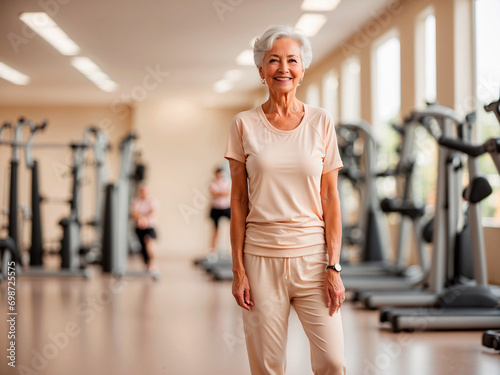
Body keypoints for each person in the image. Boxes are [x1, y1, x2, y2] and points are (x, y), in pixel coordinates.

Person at [224, 26, 346, 375]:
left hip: (313, 259)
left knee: (333, 362)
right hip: (260, 260)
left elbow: (330, 196)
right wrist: (238, 269)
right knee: (267, 367)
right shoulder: (243, 124)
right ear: (261, 70)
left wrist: (334, 266)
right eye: (273, 60)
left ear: (302, 69)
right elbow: (238, 200)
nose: (283, 68)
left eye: (292, 60)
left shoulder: (321, 121)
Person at [130, 185, 159, 272]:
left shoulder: (151, 201)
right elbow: (134, 213)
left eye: (145, 191)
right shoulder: (136, 201)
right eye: (142, 191)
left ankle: (152, 263)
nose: (143, 192)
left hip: (149, 227)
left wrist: (145, 219)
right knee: (142, 247)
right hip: (139, 227)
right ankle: (146, 264)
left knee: (149, 243)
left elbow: (153, 211)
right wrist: (140, 219)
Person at [208, 167, 231, 257]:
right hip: (216, 208)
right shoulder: (212, 183)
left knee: (233, 228)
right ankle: (213, 251)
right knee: (215, 230)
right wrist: (222, 193)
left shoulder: (228, 182)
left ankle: (232, 249)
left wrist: (219, 193)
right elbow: (213, 192)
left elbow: (229, 192)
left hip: (227, 207)